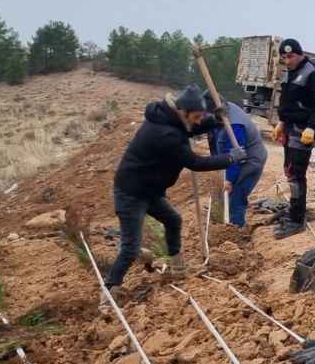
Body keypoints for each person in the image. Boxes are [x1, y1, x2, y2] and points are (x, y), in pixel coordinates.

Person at [105, 87, 245, 294]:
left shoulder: (170, 119)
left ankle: (177, 267)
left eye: (200, 116)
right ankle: (109, 291)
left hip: (149, 191)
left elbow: (191, 127)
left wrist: (215, 120)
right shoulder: (165, 134)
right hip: (131, 193)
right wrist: (230, 158)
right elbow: (195, 163)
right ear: (183, 112)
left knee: (173, 220)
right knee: (130, 248)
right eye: (196, 117)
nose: (199, 121)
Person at [273, 38, 315, 240]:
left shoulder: (313, 73)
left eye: (291, 56)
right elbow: (287, 101)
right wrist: (281, 122)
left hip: (303, 131)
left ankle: (297, 220)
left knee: (297, 175)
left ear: (300, 54)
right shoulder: (290, 72)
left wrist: (311, 127)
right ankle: (294, 210)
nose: (287, 61)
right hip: (289, 128)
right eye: (284, 57)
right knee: (289, 171)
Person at [207, 100, 268, 226]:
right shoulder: (224, 110)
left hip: (250, 161)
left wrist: (229, 180)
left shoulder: (234, 126)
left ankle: (236, 229)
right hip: (238, 159)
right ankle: (229, 223)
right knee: (231, 195)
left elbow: (237, 157)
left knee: (236, 197)